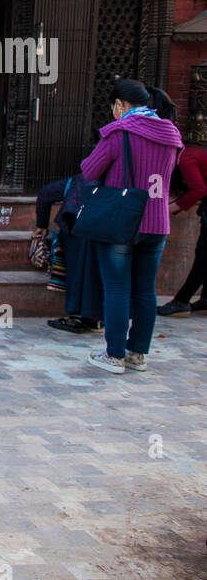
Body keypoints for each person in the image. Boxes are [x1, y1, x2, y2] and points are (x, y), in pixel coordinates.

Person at [79, 79, 184, 373]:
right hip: (157, 222)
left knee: (116, 288)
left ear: (121, 105)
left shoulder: (119, 133)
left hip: (121, 222)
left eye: (115, 106)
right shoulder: (171, 134)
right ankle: (138, 353)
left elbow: (89, 170)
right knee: (146, 291)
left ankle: (114, 355)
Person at [35, 173, 103, 333]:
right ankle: (96, 318)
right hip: (105, 232)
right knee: (100, 275)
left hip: (76, 232)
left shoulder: (79, 181)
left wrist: (42, 225)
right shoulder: (117, 181)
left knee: (77, 273)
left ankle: (80, 317)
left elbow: (45, 193)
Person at [158, 137, 207, 316]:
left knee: (204, 256)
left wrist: (169, 210)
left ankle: (182, 301)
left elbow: (198, 190)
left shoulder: (184, 157)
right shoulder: (193, 151)